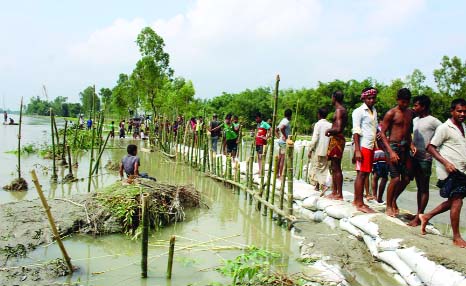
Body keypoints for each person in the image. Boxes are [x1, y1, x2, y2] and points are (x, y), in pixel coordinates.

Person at [420, 99, 466, 248]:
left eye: (465, 111)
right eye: (459, 111)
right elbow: (431, 147)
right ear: (452, 111)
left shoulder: (463, 127)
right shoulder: (445, 128)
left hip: (461, 170)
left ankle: (426, 216)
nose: (462, 114)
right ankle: (456, 237)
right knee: (458, 200)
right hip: (450, 171)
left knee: (453, 200)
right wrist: (446, 162)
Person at [379, 88, 416, 217]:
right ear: (398, 100)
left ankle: (394, 199)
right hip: (393, 147)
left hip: (405, 148)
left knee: (406, 179)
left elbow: (408, 131)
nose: (405, 104)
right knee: (395, 178)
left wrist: (411, 144)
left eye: (407, 102)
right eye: (403, 102)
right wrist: (390, 151)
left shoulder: (410, 113)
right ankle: (388, 206)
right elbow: (382, 133)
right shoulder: (391, 113)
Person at [408, 95, 442, 226]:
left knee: (424, 188)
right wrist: (411, 145)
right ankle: (418, 214)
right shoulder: (415, 120)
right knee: (418, 187)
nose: (414, 107)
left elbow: (443, 133)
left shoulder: (433, 121)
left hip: (425, 159)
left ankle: (419, 217)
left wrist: (434, 147)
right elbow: (413, 136)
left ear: (424, 107)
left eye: (416, 105)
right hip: (414, 157)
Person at [352, 87, 378, 213]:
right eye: (369, 98)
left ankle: (357, 200)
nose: (372, 100)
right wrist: (357, 150)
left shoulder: (374, 111)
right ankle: (359, 202)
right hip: (363, 146)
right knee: (361, 174)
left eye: (373, 98)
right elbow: (356, 131)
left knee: (365, 173)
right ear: (364, 98)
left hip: (371, 145)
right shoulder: (359, 111)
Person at [325, 90, 348, 200]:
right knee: (334, 167)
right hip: (337, 139)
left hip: (337, 139)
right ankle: (335, 192)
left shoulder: (339, 110)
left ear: (334, 98)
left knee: (336, 167)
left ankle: (338, 194)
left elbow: (338, 128)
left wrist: (329, 130)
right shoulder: (342, 110)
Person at [308, 107, 332, 192]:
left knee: (316, 168)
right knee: (323, 169)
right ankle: (317, 186)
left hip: (318, 150)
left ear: (318, 115)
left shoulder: (318, 124)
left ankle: (323, 185)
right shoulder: (330, 125)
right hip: (326, 150)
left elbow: (315, 138)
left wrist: (310, 149)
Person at [371, 121, 388, 203]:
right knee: (383, 177)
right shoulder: (382, 128)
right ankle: (378, 198)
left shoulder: (375, 128)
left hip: (375, 152)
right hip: (382, 153)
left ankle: (374, 196)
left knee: (376, 175)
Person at [276, 109, 292, 179]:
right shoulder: (286, 121)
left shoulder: (282, 120)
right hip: (284, 142)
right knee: (282, 158)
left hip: (281, 141)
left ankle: (277, 174)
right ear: (290, 115)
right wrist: (285, 137)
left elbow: (276, 130)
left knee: (279, 158)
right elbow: (282, 128)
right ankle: (281, 175)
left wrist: (279, 137)